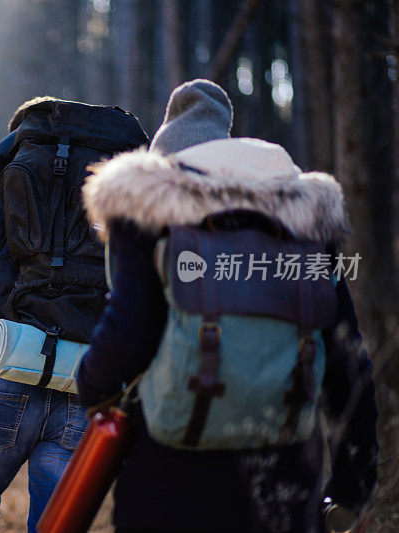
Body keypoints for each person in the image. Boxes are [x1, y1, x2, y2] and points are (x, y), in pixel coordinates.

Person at [77, 79, 378, 533]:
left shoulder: (149, 207)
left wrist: (92, 388)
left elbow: (128, 332)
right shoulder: (302, 220)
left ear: (166, 162)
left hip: (170, 472)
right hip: (285, 474)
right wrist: (354, 485)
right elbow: (346, 358)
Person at [0, 97, 148, 532]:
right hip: (88, 388)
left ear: (20, 141)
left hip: (3, 379)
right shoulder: (133, 212)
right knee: (57, 526)